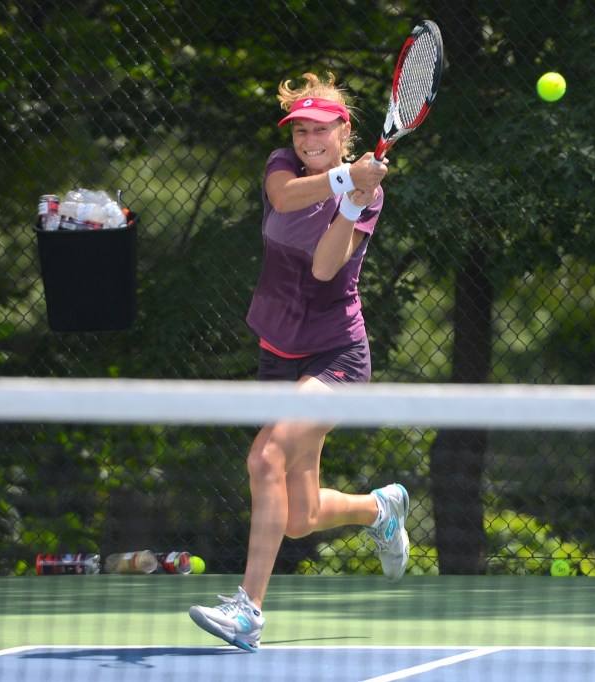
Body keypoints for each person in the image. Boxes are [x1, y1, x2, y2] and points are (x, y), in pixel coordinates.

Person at [189, 72, 408, 652]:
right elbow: (286, 198)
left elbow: (324, 268)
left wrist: (353, 199)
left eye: (322, 129)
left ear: (345, 131)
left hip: (336, 353)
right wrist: (345, 178)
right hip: (276, 352)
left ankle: (248, 611)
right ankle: (379, 508)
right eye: (302, 129)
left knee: (264, 456)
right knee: (299, 517)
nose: (310, 139)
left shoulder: (369, 193)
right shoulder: (280, 167)